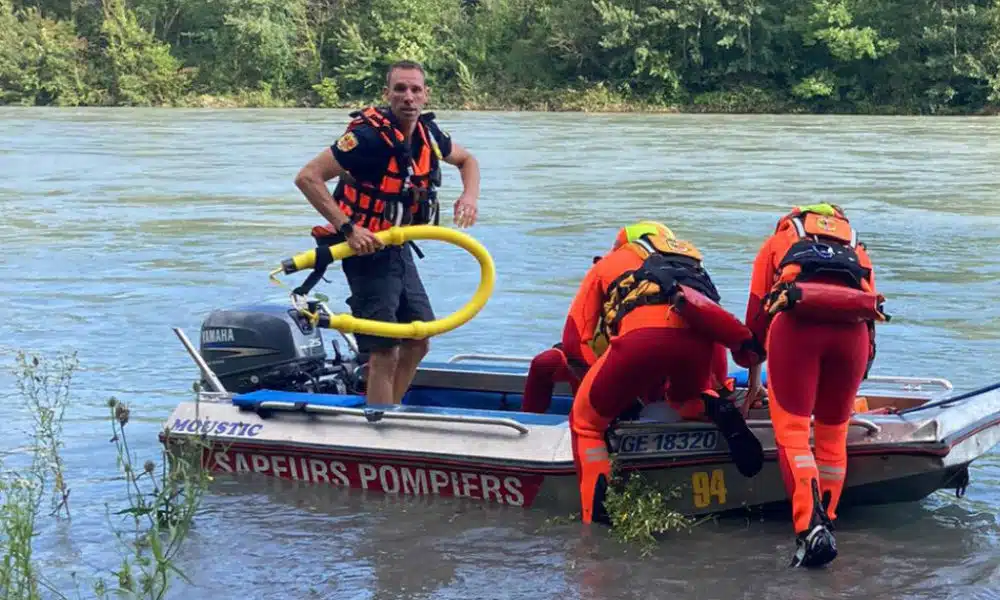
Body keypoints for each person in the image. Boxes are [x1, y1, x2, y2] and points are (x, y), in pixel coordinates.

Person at [293, 60, 481, 405]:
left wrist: (468, 197)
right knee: (385, 351)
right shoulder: (366, 138)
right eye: (400, 89)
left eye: (415, 89)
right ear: (387, 94)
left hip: (397, 246)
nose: (408, 97)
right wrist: (348, 228)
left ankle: (384, 413)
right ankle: (378, 425)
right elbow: (308, 177)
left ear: (425, 95)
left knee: (419, 339)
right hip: (364, 251)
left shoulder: (430, 135)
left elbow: (468, 160)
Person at [566, 223, 766, 524]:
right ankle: (713, 406)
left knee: (585, 424)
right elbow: (713, 328)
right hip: (698, 346)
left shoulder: (607, 264)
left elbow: (573, 342)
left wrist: (608, 392)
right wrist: (720, 390)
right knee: (684, 401)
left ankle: (597, 520)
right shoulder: (689, 264)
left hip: (639, 342)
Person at [734, 203, 887, 568]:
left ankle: (808, 529)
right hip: (853, 339)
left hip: (797, 330)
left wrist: (751, 372)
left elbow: (756, 318)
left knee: (793, 434)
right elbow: (871, 317)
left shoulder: (779, 241)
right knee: (833, 436)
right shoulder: (856, 247)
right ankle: (828, 520)